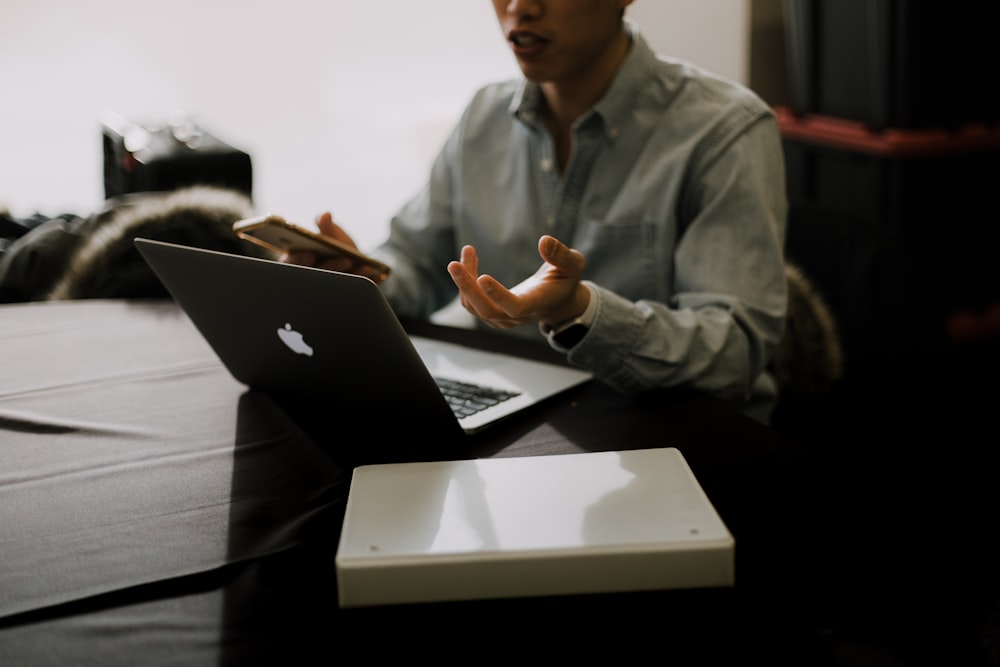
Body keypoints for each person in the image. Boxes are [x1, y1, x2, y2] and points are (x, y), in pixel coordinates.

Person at [286, 0, 788, 423]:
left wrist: (582, 311)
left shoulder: (723, 130)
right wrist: (357, 277)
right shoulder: (484, 115)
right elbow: (418, 259)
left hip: (670, 431)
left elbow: (733, 354)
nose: (519, 8)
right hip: (516, 413)